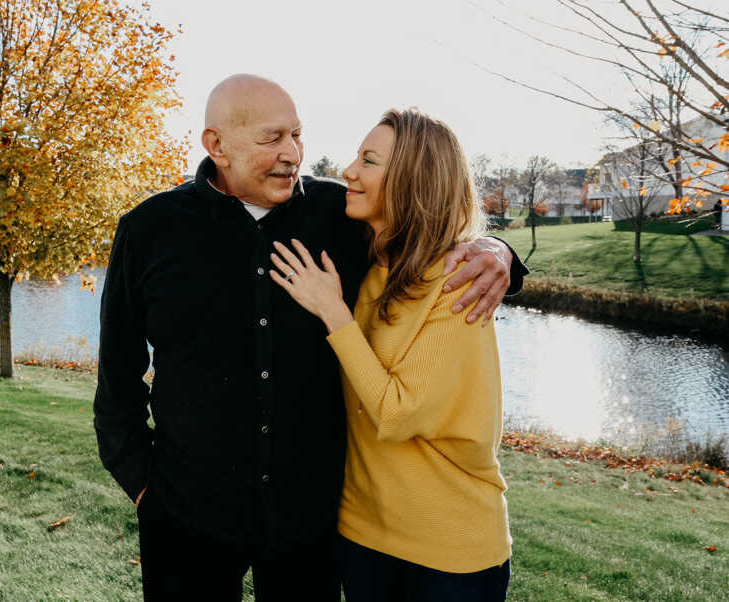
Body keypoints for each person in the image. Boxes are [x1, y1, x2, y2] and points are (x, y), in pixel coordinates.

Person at [93, 75, 525, 601]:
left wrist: (498, 251)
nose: (292, 153)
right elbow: (118, 375)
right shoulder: (148, 230)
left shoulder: (342, 216)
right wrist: (143, 486)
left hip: (312, 528)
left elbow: (427, 230)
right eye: (272, 138)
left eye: (298, 135)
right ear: (217, 145)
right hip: (185, 517)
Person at [270, 108, 512, 601]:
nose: (348, 171)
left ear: (412, 182)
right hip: (361, 534)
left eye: (368, 161)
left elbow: (395, 412)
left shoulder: (457, 281)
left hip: (449, 550)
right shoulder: (368, 262)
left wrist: (332, 311)